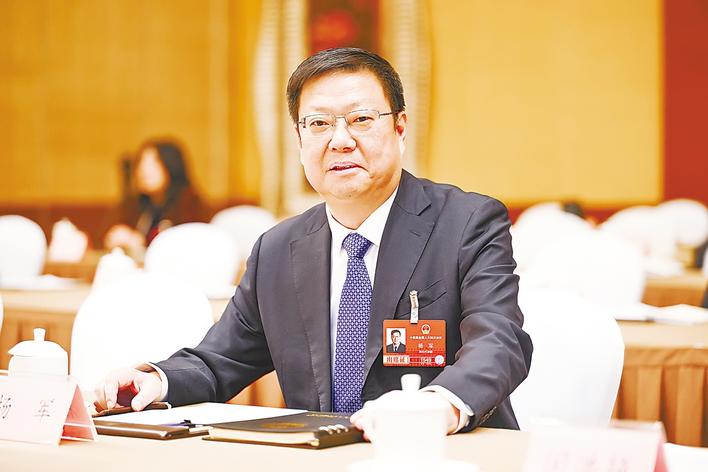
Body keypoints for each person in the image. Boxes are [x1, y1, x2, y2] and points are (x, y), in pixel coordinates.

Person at [94, 48, 533, 435]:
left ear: (400, 128)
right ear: (300, 139)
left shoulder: (466, 223)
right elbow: (220, 360)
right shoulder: (278, 250)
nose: (340, 140)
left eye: (361, 119)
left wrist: (438, 406)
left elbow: (499, 342)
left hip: (439, 454)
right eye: (319, 123)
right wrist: (157, 381)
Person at [103, 139, 202, 255]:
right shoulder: (137, 204)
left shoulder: (189, 204)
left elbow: (188, 248)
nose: (144, 170)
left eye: (153, 163)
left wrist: (140, 243)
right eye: (141, 162)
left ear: (171, 165)